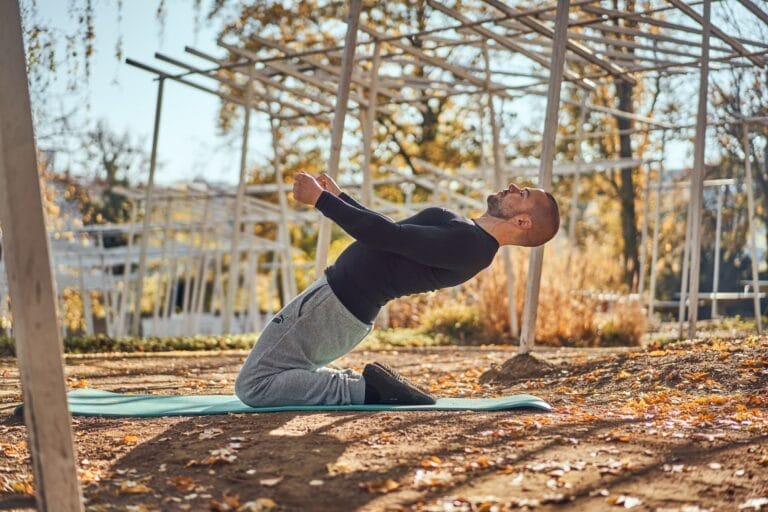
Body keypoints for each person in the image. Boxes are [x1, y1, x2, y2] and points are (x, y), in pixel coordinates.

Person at [234, 171, 560, 407]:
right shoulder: (469, 235)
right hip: (338, 307)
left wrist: (322, 201)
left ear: (522, 222)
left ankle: (365, 390)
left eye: (524, 193)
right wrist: (339, 197)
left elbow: (388, 237)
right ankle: (361, 384)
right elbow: (391, 232)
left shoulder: (470, 245)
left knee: (254, 386)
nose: (514, 186)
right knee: (284, 374)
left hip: (334, 306)